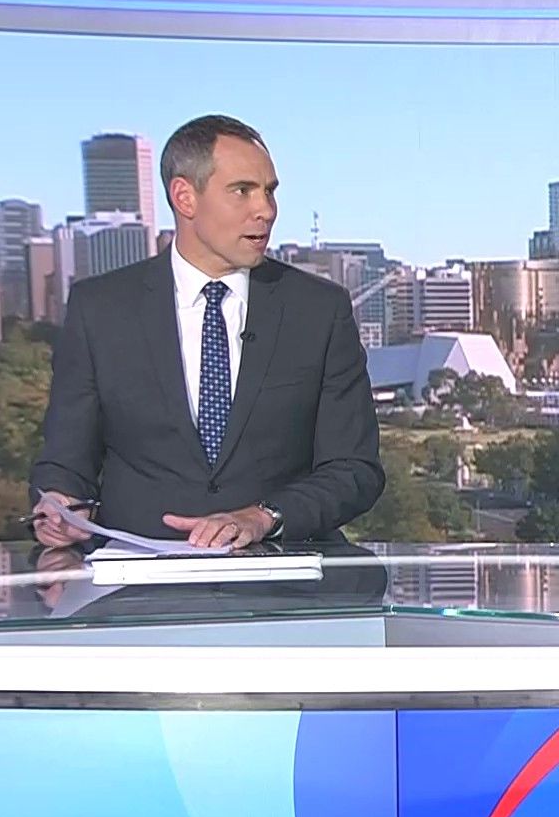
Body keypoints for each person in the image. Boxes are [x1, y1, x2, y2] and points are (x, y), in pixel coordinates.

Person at [29, 114, 384, 551]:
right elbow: (66, 460)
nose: (266, 210)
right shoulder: (100, 309)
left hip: (280, 570)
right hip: (138, 575)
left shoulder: (318, 310)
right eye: (242, 191)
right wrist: (60, 505)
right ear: (185, 197)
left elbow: (354, 469)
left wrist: (265, 517)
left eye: (270, 191)